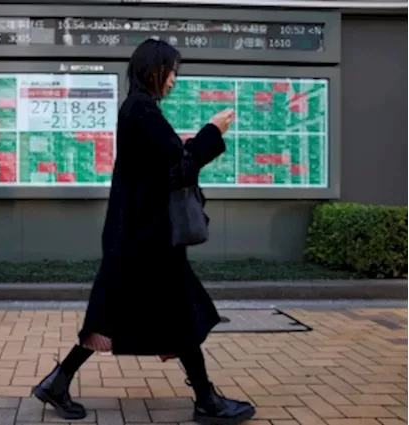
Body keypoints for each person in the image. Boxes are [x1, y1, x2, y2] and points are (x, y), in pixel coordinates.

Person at [31, 39, 256, 424]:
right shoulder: (141, 110)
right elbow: (180, 169)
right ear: (154, 70)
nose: (173, 81)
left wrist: (198, 140)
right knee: (177, 313)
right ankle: (206, 401)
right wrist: (212, 131)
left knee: (125, 314)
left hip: (140, 237)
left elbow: (167, 166)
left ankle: (59, 381)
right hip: (146, 240)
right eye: (171, 72)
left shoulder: (138, 109)